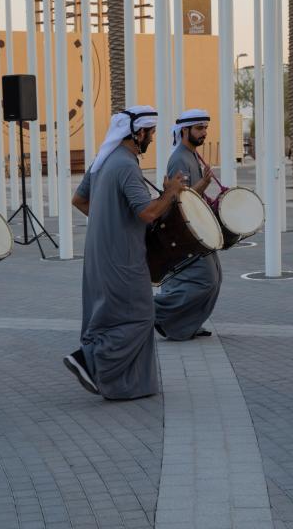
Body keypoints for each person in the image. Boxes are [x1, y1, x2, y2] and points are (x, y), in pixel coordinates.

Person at [67, 105, 184, 400]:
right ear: (138, 133)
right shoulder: (126, 166)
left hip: (99, 255)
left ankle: (124, 386)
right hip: (123, 259)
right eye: (151, 133)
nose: (152, 138)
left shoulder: (103, 160)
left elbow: (79, 200)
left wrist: (110, 222)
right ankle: (89, 359)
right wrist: (170, 193)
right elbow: (148, 213)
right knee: (141, 317)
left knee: (109, 317)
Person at [154, 109, 221, 341]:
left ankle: (186, 326)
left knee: (215, 278)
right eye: (199, 128)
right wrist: (204, 183)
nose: (204, 132)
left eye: (205, 128)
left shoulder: (192, 155)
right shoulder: (179, 159)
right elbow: (179, 200)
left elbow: (193, 196)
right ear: (185, 131)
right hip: (185, 234)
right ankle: (155, 311)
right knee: (205, 280)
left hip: (198, 229)